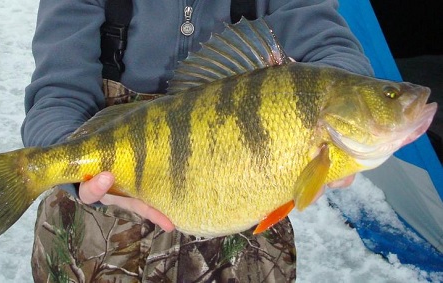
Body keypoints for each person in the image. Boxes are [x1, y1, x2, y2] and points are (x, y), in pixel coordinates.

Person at [22, 0, 372, 281]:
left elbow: (329, 44)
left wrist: (344, 110)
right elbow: (58, 92)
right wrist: (71, 163)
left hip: (241, 231)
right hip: (97, 233)